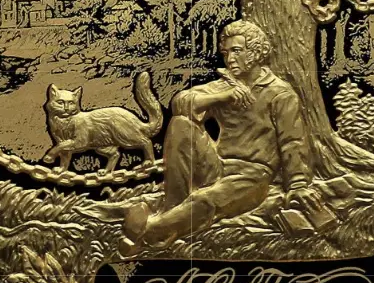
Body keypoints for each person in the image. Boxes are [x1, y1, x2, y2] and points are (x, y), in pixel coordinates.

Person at [119, 20, 326, 256]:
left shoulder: (280, 93)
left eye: (236, 50)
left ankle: (148, 232)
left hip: (252, 176)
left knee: (207, 199)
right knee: (180, 124)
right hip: (218, 166)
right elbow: (180, 104)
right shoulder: (224, 86)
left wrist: (298, 185)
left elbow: (293, 142)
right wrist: (223, 96)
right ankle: (171, 212)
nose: (229, 58)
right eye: (226, 53)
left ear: (256, 52)